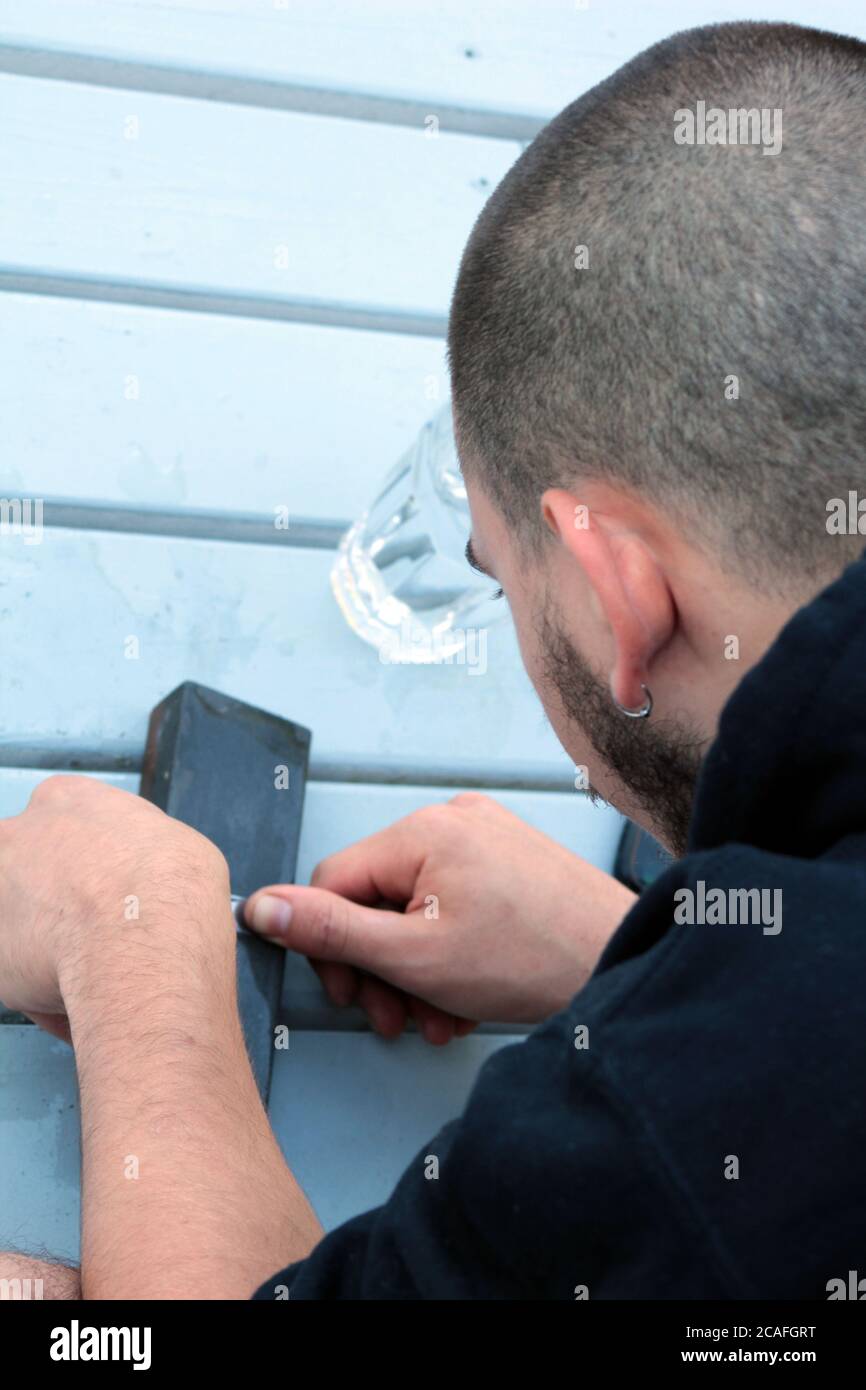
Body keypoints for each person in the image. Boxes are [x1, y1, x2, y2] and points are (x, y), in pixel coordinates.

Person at [2, 19, 866, 1300]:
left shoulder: (677, 1150)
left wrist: (131, 938)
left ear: (615, 591)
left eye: (495, 568)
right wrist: (649, 949)